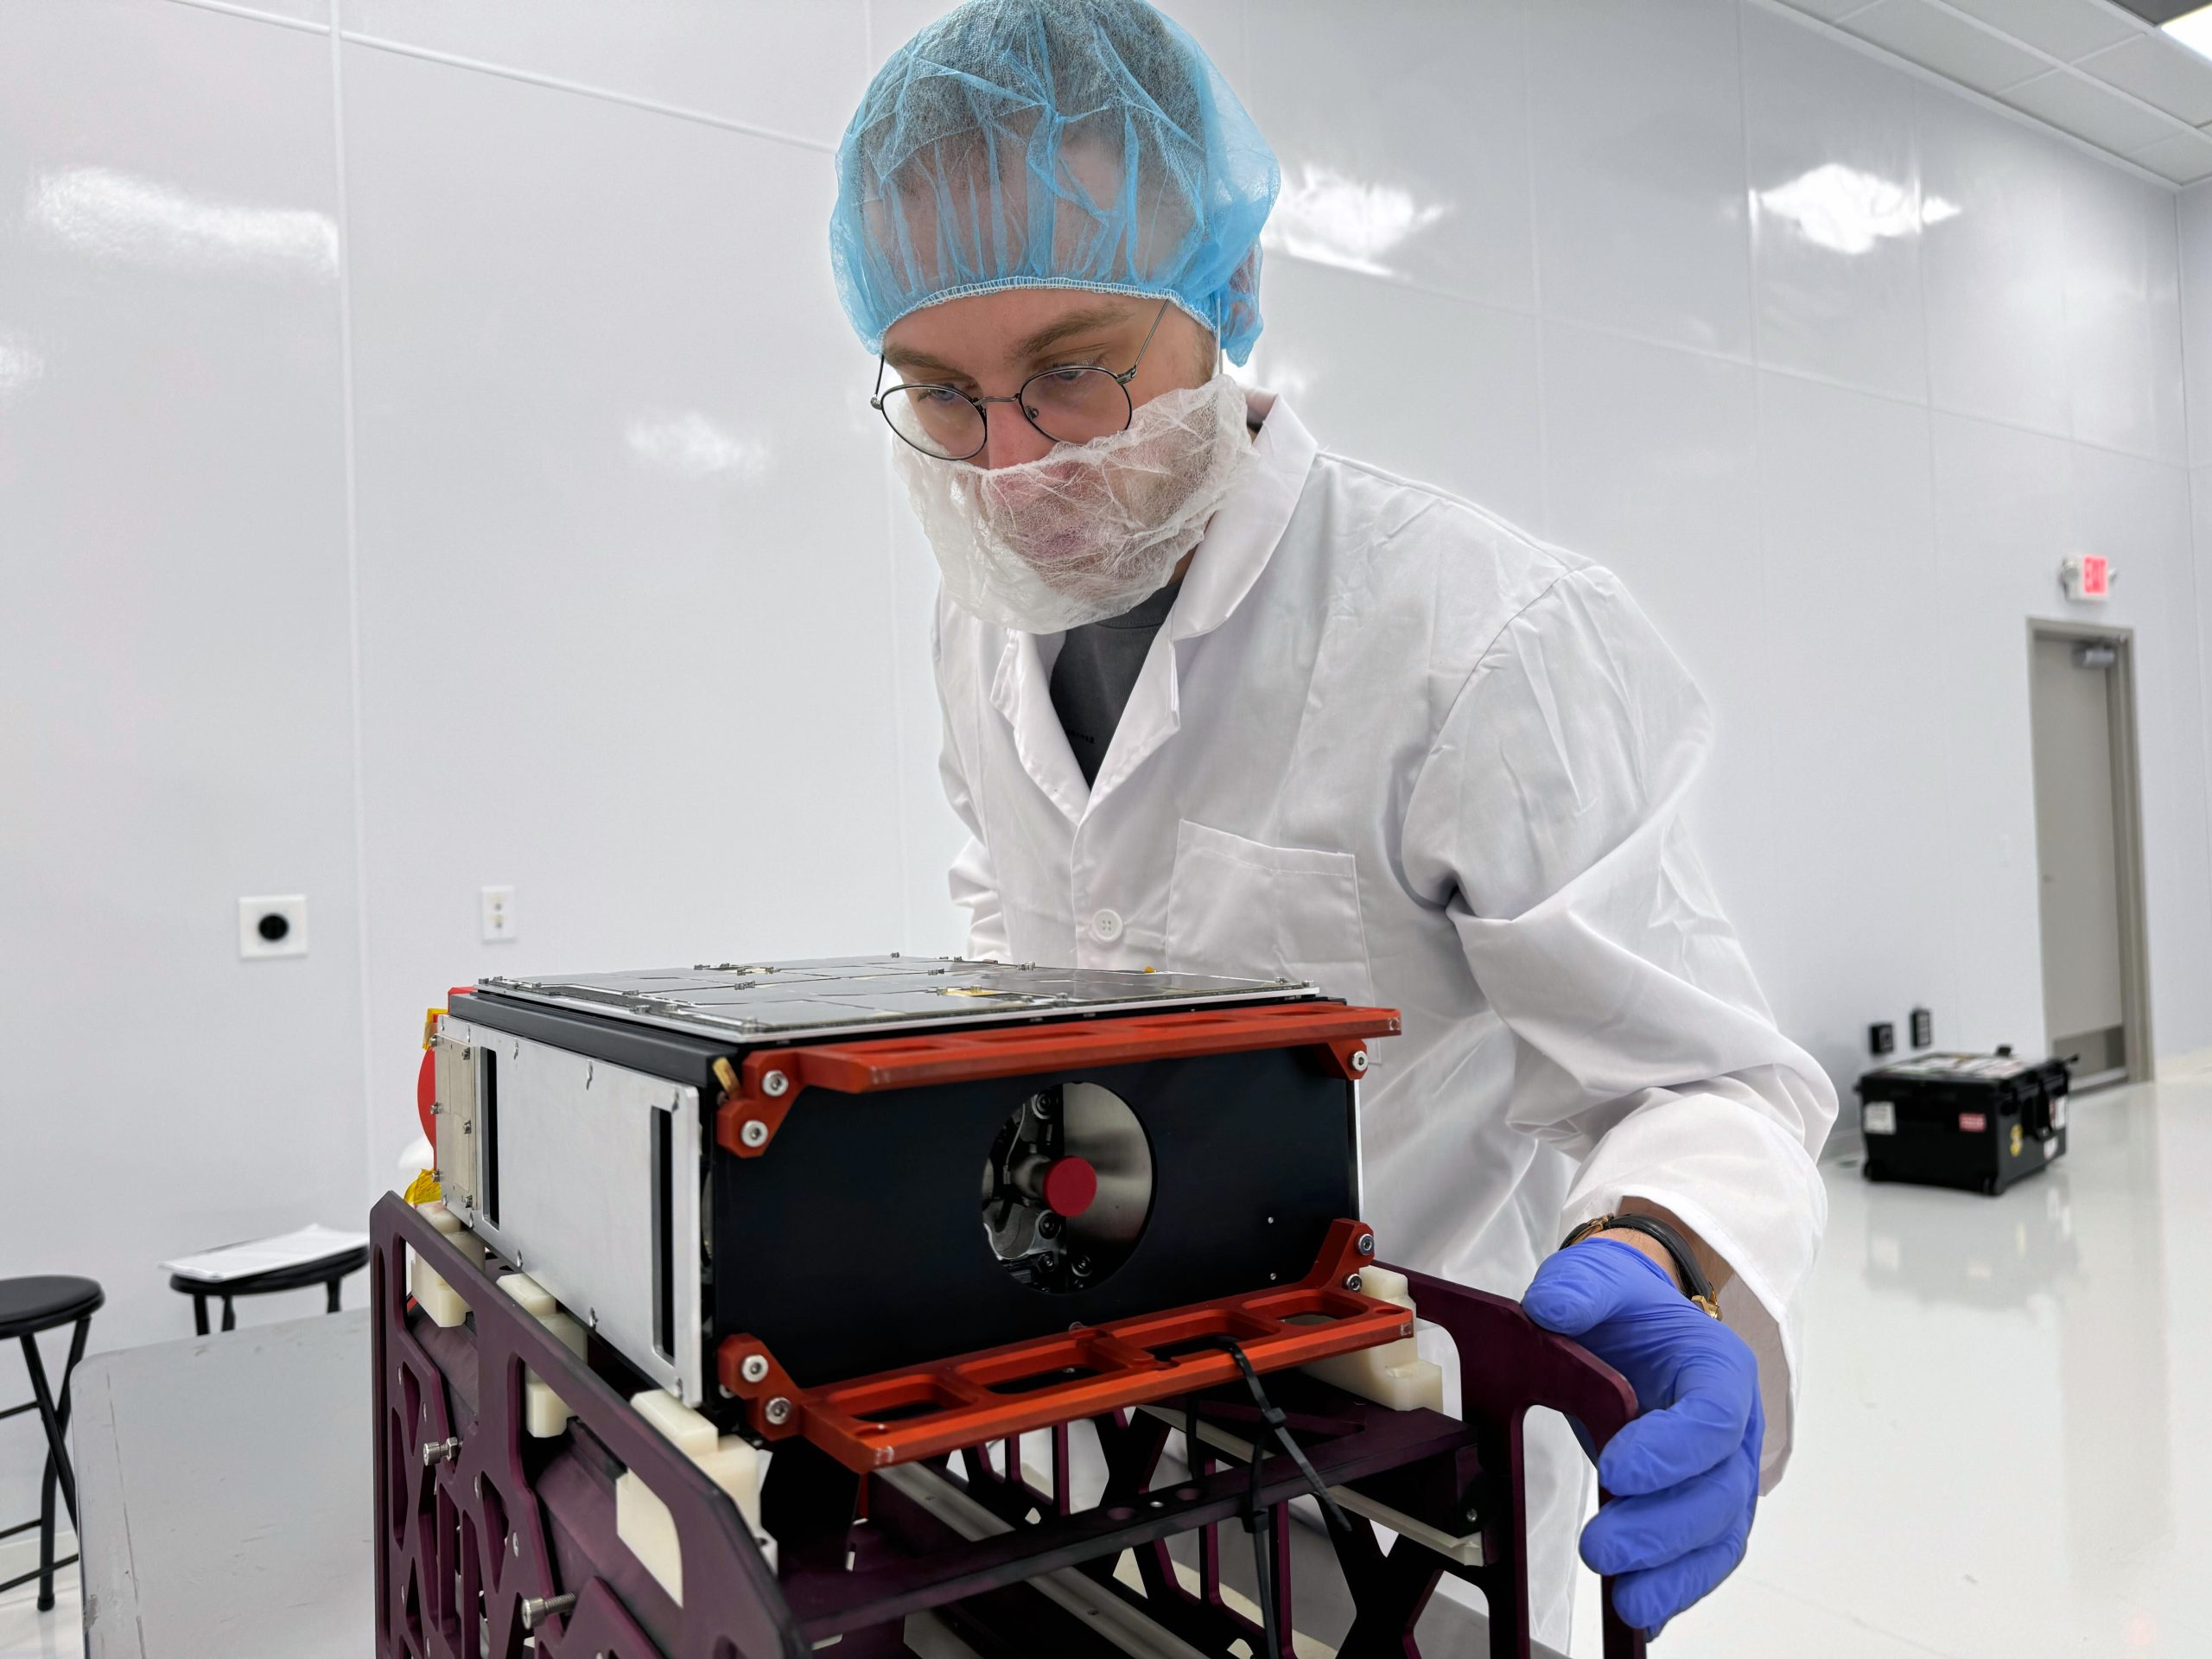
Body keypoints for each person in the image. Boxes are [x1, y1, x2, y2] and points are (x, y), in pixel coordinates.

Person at [829, 0, 1836, 1643]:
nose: (1009, 466)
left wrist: (1660, 1251)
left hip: (1401, 1492)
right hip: (1062, 1462)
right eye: (940, 394)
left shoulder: (1473, 637)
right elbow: (1015, 934)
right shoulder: (979, 623)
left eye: (1070, 372)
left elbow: (1704, 1078)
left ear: (1223, 300)